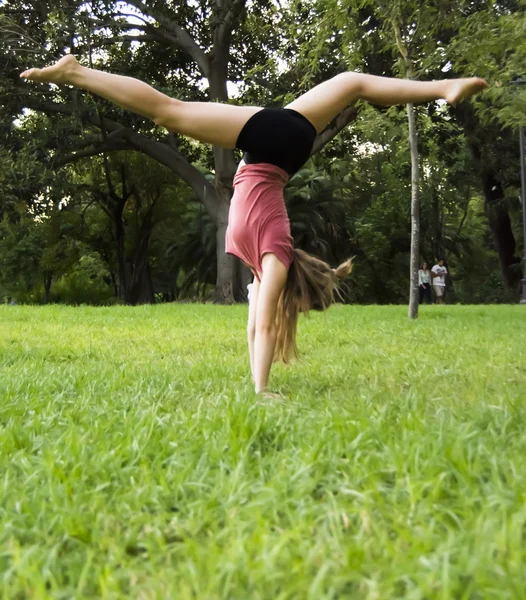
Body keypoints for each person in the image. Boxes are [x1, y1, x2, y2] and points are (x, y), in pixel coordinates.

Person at [20, 56, 487, 395]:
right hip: (273, 147)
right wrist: (260, 390)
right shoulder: (272, 254)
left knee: (349, 82)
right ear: (293, 287)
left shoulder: (269, 261)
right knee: (170, 111)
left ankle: (77, 72)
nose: (292, 312)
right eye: (299, 308)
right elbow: (261, 328)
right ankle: (76, 72)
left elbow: (257, 326)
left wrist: (260, 386)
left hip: (280, 145)